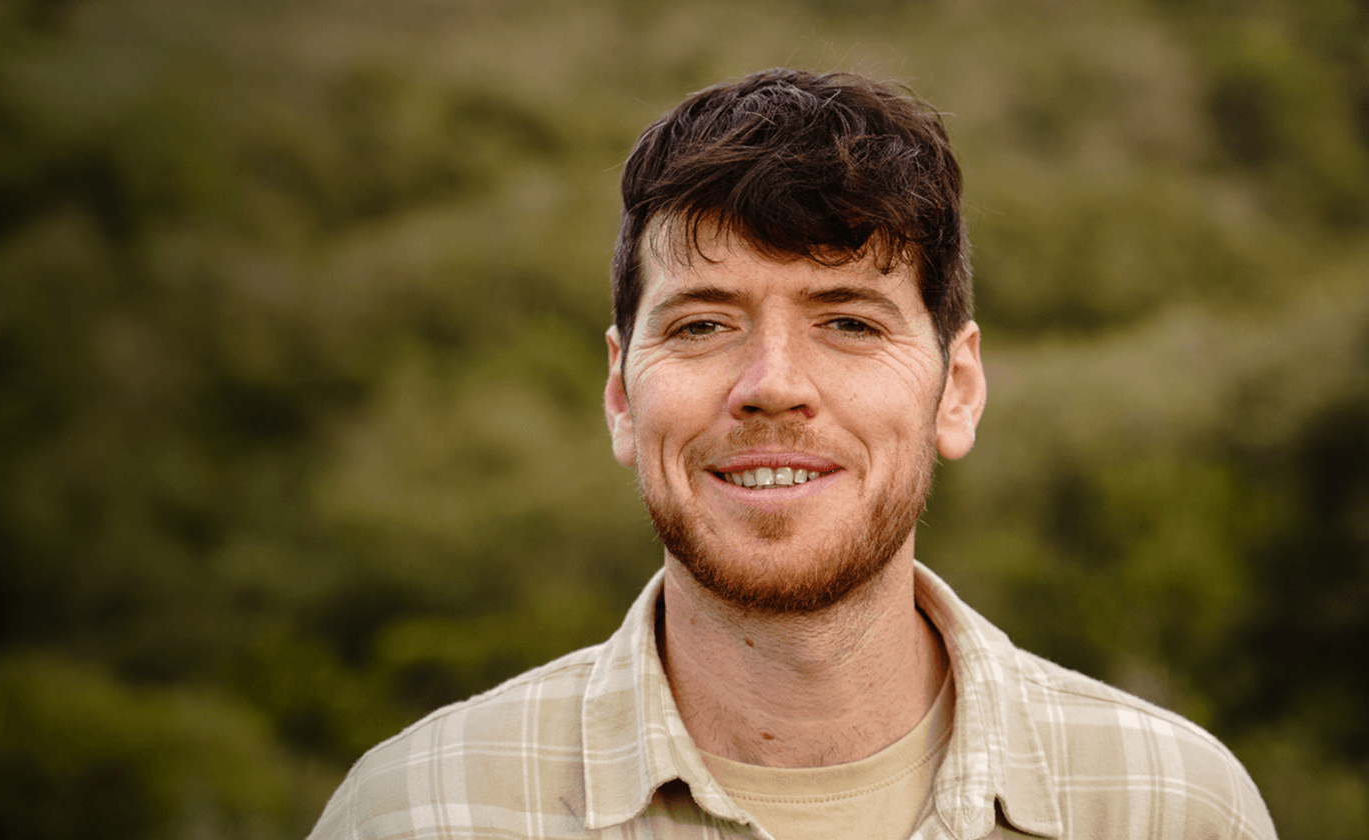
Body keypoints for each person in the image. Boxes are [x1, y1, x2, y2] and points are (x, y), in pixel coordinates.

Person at [306, 68, 1276, 840]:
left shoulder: (1174, 809)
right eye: (701, 325)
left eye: (849, 322)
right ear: (621, 396)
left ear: (958, 389)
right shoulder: (418, 813)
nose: (772, 384)